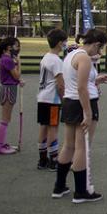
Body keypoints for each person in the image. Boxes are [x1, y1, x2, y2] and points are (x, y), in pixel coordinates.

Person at [52, 29, 107, 202]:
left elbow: (78, 81)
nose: (98, 53)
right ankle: (81, 191)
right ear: (96, 44)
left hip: (70, 102)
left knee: (68, 146)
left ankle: (59, 186)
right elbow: (81, 88)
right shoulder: (84, 57)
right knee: (81, 147)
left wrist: (96, 80)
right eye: (100, 49)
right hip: (81, 103)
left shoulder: (71, 54)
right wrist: (88, 112)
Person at [37, 29, 67, 170]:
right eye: (65, 42)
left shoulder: (46, 57)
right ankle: (53, 160)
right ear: (60, 43)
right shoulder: (56, 61)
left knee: (43, 127)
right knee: (53, 129)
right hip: (52, 100)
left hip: (42, 98)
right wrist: (64, 100)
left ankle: (42, 159)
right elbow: (60, 84)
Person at [0, 37, 22, 155]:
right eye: (16, 46)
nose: (18, 48)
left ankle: (1, 143)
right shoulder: (8, 60)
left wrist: (19, 81)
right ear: (9, 47)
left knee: (6, 118)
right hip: (8, 90)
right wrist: (19, 63)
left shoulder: (6, 59)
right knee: (5, 119)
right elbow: (16, 75)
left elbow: (12, 77)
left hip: (9, 88)